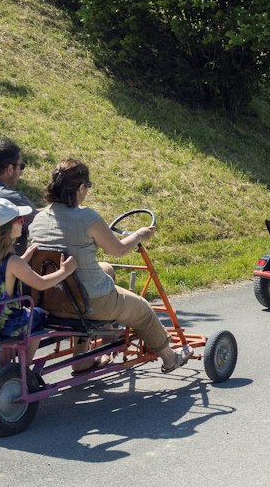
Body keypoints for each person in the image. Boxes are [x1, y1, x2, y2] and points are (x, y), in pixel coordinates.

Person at [28, 157, 191, 373]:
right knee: (142, 308)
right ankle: (170, 358)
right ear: (81, 187)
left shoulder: (38, 218)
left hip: (50, 298)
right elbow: (119, 249)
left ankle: (83, 358)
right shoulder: (87, 217)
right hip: (89, 300)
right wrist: (139, 235)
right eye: (87, 188)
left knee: (106, 268)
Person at [0, 197, 78, 383]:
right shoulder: (12, 261)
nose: (22, 222)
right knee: (38, 316)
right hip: (4, 324)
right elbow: (40, 283)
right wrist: (65, 271)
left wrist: (23, 258)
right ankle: (22, 371)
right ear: (6, 229)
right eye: (19, 220)